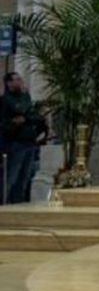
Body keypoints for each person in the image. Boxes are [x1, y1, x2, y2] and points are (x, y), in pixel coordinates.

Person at [1, 72, 47, 204]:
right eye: (17, 79)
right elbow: (8, 122)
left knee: (25, 176)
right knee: (12, 176)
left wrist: (24, 118)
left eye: (21, 79)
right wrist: (21, 119)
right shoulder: (5, 100)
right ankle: (5, 202)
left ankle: (19, 202)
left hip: (30, 141)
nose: (20, 81)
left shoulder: (25, 97)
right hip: (15, 142)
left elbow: (34, 116)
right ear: (9, 83)